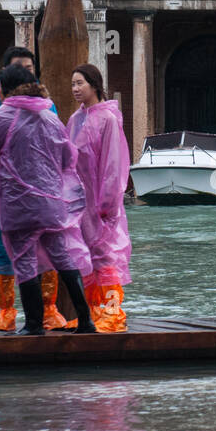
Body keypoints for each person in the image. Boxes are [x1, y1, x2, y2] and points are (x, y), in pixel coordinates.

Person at [0, 64, 96, 335]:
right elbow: (68, 157)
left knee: (24, 259)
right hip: (51, 202)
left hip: (19, 204)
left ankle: (32, 324)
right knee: (62, 256)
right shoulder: (49, 114)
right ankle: (86, 320)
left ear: (5, 89)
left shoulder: (5, 114)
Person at [0, 46, 68, 332]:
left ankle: (48, 309)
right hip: (3, 190)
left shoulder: (47, 105)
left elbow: (58, 147)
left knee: (47, 249)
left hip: (40, 188)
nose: (25, 73)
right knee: (1, 247)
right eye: (19, 67)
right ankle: (6, 311)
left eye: (30, 68)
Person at [67, 63, 132, 332]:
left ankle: (113, 313)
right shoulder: (74, 119)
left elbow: (114, 164)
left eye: (80, 83)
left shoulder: (108, 119)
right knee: (86, 256)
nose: (75, 89)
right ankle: (93, 312)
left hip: (102, 201)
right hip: (79, 201)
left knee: (106, 256)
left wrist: (108, 203)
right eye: (73, 84)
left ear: (95, 85)